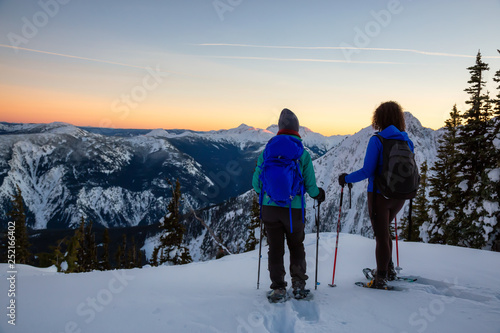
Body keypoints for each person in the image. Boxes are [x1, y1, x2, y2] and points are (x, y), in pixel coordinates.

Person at [339, 101, 414, 289]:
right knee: (384, 231)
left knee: (381, 236)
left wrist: (346, 178)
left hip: (379, 196)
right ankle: (388, 269)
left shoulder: (377, 140)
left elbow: (367, 171)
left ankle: (380, 278)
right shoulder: (407, 141)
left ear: (379, 118)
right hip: (400, 196)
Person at [253, 108, 325, 302]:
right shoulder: (302, 153)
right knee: (296, 246)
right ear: (297, 129)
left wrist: (269, 196)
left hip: (270, 209)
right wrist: (318, 194)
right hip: (293, 212)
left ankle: (278, 288)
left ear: (279, 128)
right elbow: (310, 186)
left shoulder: (267, 151)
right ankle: (299, 285)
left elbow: (256, 184)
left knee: (275, 248)